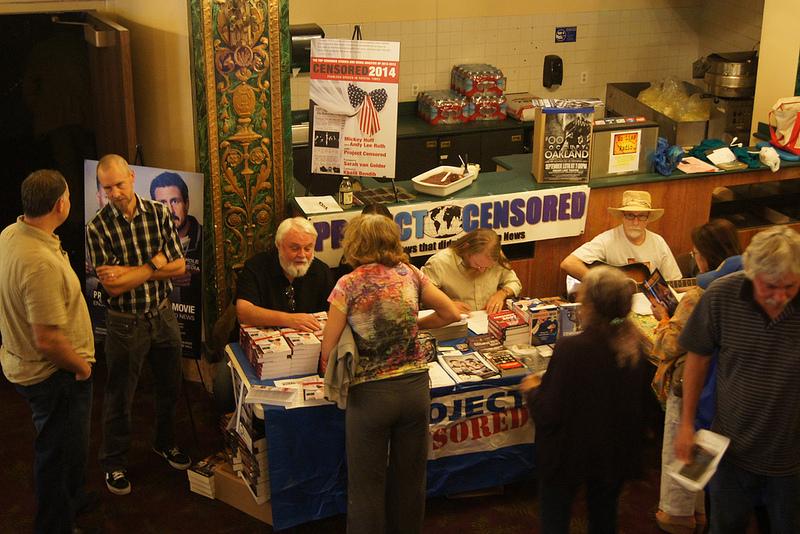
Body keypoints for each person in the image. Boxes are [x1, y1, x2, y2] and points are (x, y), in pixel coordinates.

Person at [320, 214, 460, 534]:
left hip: (370, 395)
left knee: (366, 486)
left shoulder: (349, 284)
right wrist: (412, 324)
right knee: (410, 479)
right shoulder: (411, 273)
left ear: (355, 243)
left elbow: (328, 349)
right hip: (414, 389)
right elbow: (450, 312)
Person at [675, 226, 800, 533]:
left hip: (792, 458)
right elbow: (697, 358)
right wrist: (687, 423)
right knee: (726, 526)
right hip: (731, 450)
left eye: (790, 286)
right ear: (750, 274)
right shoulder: (721, 295)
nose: (780, 297)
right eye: (769, 287)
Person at [86, 154, 190, 496]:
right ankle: (113, 463)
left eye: (119, 183)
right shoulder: (97, 227)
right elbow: (112, 286)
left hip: (162, 315)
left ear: (131, 177)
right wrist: (153, 263)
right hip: (123, 323)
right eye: (107, 187)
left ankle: (166, 443)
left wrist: (134, 272)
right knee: (119, 397)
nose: (115, 192)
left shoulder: (159, 212)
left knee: (169, 388)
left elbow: (178, 267)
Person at [522, 266, 651, 534]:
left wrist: (532, 389)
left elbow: (548, 412)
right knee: (605, 516)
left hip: (569, 454)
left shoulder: (572, 350)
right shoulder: (636, 345)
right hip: (614, 453)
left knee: (555, 517)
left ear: (589, 304)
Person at [0, 170, 94, 533]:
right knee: (57, 454)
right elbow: (48, 340)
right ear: (61, 205)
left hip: (26, 365)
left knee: (64, 449)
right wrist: (81, 369)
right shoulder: (38, 262)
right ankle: (56, 524)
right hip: (53, 376)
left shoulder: (12, 232)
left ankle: (71, 502)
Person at [650, 219, 742, 534]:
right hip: (729, 390)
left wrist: (663, 321)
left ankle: (678, 518)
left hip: (691, 386)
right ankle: (703, 514)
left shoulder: (700, 294)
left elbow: (669, 345)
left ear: (703, 255)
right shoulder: (748, 283)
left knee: (682, 451)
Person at [236, 216, 335, 331]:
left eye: (307, 249)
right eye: (295, 248)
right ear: (279, 245)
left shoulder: (321, 271)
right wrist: (289, 320)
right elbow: (243, 312)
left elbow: (333, 311)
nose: (302, 255)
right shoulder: (256, 266)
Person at [560, 190, 682, 283]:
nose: (635, 222)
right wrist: (601, 285)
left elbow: (674, 281)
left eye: (641, 216)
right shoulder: (607, 239)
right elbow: (569, 263)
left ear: (648, 219)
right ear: (622, 217)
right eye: (630, 215)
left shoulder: (658, 242)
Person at [421, 227, 522, 314]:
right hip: (453, 321)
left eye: (487, 267)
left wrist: (501, 294)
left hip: (487, 320)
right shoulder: (440, 262)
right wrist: (448, 304)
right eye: (477, 265)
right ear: (466, 248)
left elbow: (515, 283)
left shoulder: (495, 258)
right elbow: (422, 295)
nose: (482, 270)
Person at [149, 171, 202, 303]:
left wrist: (195, 279)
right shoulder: (147, 237)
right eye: (162, 203)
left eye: (175, 201)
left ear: (187, 203)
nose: (169, 210)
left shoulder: (205, 238)